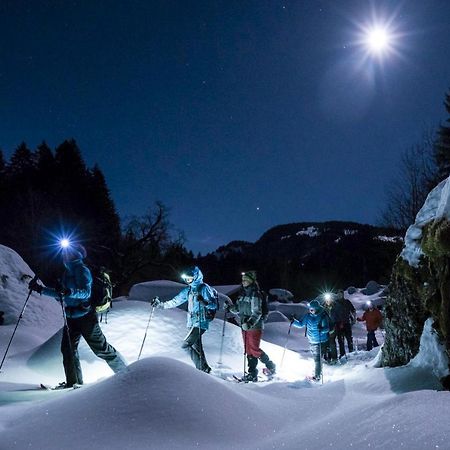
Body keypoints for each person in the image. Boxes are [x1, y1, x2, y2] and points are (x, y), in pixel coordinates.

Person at [29, 243, 127, 389]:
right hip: (71, 318)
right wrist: (41, 290)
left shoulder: (82, 270)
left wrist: (69, 291)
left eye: (67, 252)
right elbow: (61, 294)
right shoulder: (66, 272)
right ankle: (73, 383)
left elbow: (85, 292)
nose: (64, 254)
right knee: (68, 350)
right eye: (63, 252)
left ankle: (126, 373)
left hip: (86, 317)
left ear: (74, 254)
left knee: (100, 348)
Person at [150, 266, 215, 373]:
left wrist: (204, 301)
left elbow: (213, 305)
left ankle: (202, 370)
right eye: (186, 279)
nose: (188, 280)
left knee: (185, 345)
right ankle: (205, 369)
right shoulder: (188, 290)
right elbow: (175, 301)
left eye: (190, 278)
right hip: (191, 322)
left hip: (201, 321)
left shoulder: (204, 288)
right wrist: (160, 305)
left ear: (196, 277)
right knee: (197, 348)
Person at [227, 271, 276, 382]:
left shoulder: (255, 294)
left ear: (251, 281)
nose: (243, 282)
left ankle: (271, 365)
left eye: (245, 280)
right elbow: (238, 309)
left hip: (254, 326)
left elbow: (257, 312)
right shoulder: (242, 294)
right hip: (244, 325)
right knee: (248, 350)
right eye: (243, 280)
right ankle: (252, 373)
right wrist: (230, 308)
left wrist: (249, 323)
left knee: (254, 349)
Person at [292, 299, 330, 381]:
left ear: (317, 308)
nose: (310, 311)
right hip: (311, 341)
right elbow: (301, 324)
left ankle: (317, 376)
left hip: (320, 341)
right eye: (310, 309)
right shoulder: (308, 316)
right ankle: (318, 372)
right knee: (316, 358)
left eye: (312, 309)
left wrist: (322, 329)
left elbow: (327, 328)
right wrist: (293, 322)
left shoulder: (322, 316)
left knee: (317, 359)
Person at [332, 290, 356, 359]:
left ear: (343, 294)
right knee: (340, 339)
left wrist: (354, 318)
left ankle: (351, 352)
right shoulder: (335, 303)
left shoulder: (347, 302)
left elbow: (353, 310)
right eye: (338, 294)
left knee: (349, 338)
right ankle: (342, 354)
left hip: (346, 322)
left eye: (341, 294)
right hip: (338, 324)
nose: (340, 295)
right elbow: (332, 313)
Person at [320, 295, 338, 364]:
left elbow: (337, 317)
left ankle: (334, 358)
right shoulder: (323, 308)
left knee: (332, 343)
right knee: (325, 343)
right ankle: (327, 358)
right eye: (327, 300)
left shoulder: (334, 308)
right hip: (325, 327)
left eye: (329, 300)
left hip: (333, 327)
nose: (328, 301)